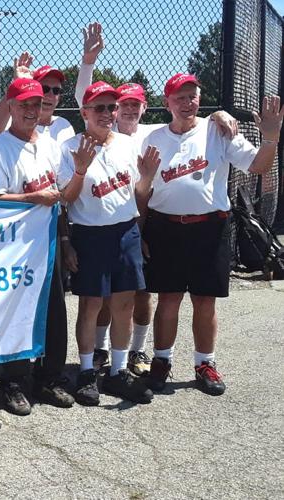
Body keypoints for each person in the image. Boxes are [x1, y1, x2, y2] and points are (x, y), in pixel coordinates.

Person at [71, 22, 239, 375]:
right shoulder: (106, 131)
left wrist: (220, 114)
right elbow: (86, 99)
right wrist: (88, 62)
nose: (127, 111)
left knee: (139, 294)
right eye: (123, 105)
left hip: (143, 225)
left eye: (134, 104)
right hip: (117, 225)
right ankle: (100, 350)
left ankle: (138, 351)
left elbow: (189, 129)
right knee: (103, 296)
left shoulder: (150, 134)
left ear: (146, 108)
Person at [140, 74, 283, 396]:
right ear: (166, 104)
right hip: (165, 226)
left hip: (211, 226)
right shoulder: (152, 136)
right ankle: (161, 360)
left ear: (200, 100)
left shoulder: (218, 130)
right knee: (168, 298)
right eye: (179, 97)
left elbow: (258, 166)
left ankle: (205, 363)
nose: (187, 103)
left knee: (205, 300)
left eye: (192, 96)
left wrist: (271, 138)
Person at [57, 81, 158, 406]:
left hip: (125, 231)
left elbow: (139, 195)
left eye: (111, 107)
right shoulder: (71, 146)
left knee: (124, 304)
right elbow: (65, 199)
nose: (107, 113)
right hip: (90, 233)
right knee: (91, 305)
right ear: (84, 112)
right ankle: (87, 371)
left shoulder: (127, 144)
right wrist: (80, 171)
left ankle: (117, 371)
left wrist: (146, 178)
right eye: (98, 107)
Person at [0, 78, 75, 415]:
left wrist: (65, 240)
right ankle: (14, 381)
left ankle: (50, 377)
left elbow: (61, 198)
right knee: (18, 313)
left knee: (55, 311)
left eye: (36, 103)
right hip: (16, 247)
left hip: (48, 240)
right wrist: (31, 198)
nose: (31, 110)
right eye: (23, 104)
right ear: (9, 106)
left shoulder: (51, 144)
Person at [0, 54, 75, 145]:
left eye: (56, 90)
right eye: (45, 89)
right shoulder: (17, 123)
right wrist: (17, 84)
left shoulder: (65, 126)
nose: (50, 95)